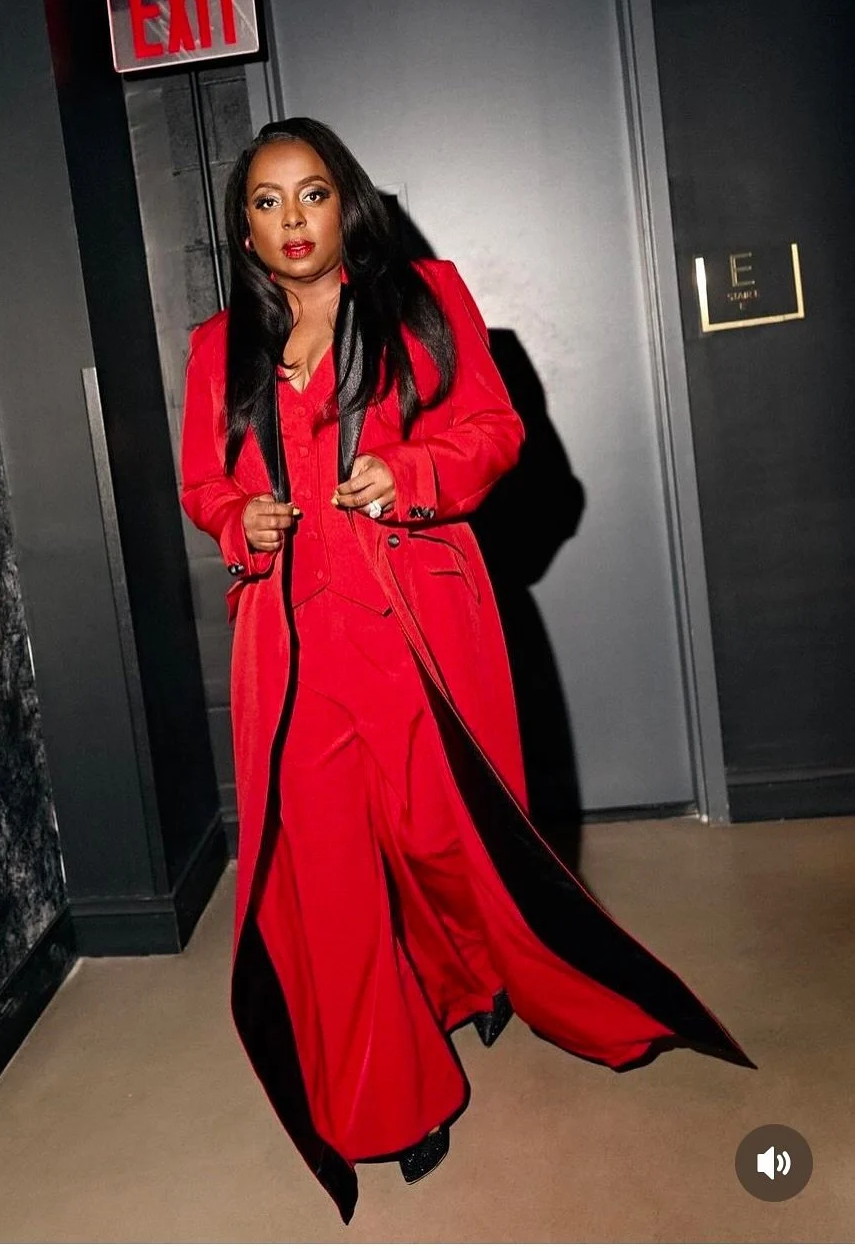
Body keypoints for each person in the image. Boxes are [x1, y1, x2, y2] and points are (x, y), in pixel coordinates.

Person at [179, 118, 752, 1223]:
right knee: (331, 875)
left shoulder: (420, 297)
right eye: (266, 202)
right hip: (293, 655)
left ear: (346, 203)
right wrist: (238, 520)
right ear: (243, 228)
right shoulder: (219, 349)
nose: (292, 220)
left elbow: (495, 430)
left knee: (448, 842)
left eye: (310, 195)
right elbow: (202, 486)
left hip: (415, 630)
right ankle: (389, 1101)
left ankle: (479, 971)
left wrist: (412, 470)